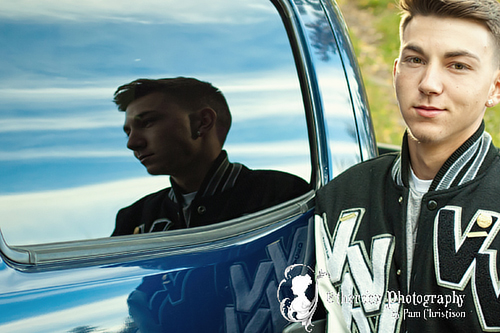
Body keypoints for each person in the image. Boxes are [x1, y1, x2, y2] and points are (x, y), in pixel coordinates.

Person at [314, 0, 500, 332]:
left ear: (495, 88)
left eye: (457, 66)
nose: (429, 84)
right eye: (415, 60)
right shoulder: (339, 199)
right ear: (396, 70)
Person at [111, 77, 309, 236]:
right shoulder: (134, 219)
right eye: (128, 132)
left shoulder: (283, 195)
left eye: (148, 122)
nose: (132, 143)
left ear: (202, 122)